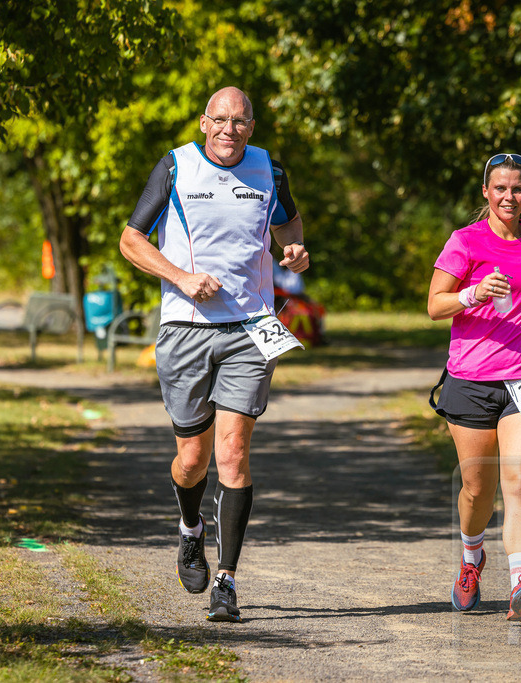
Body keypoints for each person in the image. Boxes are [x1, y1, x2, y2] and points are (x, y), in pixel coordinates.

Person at [119, 86, 309, 622]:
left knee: (232, 453)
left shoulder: (269, 171)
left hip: (250, 329)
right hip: (186, 328)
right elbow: (131, 240)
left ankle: (226, 580)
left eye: (241, 121)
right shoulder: (175, 167)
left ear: (252, 125)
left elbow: (288, 224)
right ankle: (189, 529)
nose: (230, 130)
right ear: (205, 123)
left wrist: (292, 249)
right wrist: (180, 278)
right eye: (220, 120)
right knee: (191, 459)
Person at [427, 153, 521, 623]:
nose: (509, 197)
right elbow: (434, 305)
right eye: (500, 189)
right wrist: (473, 293)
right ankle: (472, 560)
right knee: (477, 489)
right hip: (471, 378)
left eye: (517, 189)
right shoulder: (464, 241)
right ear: (486, 193)